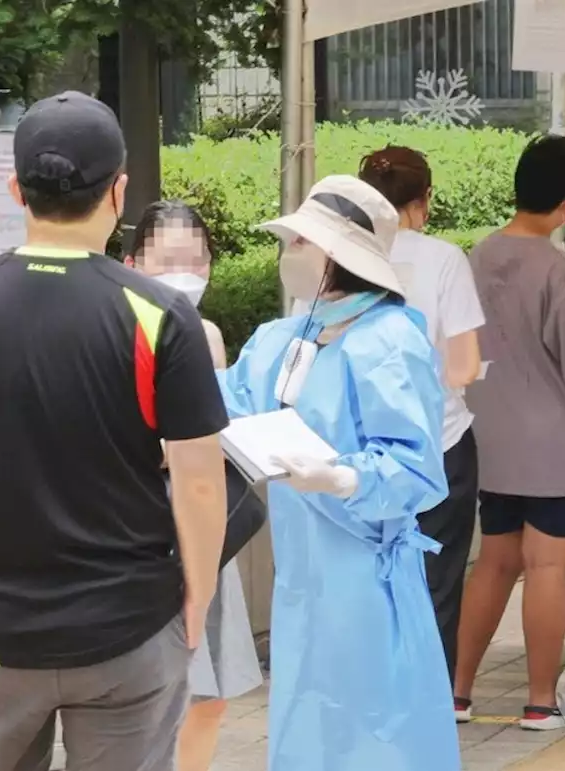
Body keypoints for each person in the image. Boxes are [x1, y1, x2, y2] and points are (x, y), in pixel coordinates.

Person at [0, 92, 229, 771]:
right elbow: (196, 478)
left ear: (17, 188)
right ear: (120, 189)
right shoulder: (161, 316)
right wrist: (199, 592)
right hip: (129, 628)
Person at [217, 175, 457, 771]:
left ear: (338, 258)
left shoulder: (390, 339)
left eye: (300, 243)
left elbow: (415, 465)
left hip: (364, 571)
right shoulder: (285, 335)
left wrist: (341, 477)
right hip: (301, 573)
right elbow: (225, 402)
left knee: (376, 728)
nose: (287, 255)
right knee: (308, 725)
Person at [456, 135, 565, 730]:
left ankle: (459, 692)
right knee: (546, 569)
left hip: (492, 441)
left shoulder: (478, 255)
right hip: (555, 446)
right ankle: (540, 702)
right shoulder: (560, 269)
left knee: (494, 563)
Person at [124, 201, 263, 771]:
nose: (187, 273)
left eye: (197, 259)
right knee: (145, 696)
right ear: (133, 262)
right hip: (141, 530)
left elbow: (216, 434)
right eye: (169, 260)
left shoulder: (206, 335)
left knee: (210, 694)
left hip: (204, 528)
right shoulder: (115, 326)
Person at [358, 146, 485, 687]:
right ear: (424, 199)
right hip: (439, 445)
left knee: (367, 582)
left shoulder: (338, 256)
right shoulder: (443, 259)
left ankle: (373, 697)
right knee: (436, 581)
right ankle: (429, 704)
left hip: (358, 452)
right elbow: (464, 365)